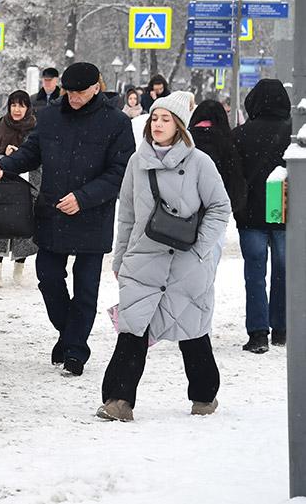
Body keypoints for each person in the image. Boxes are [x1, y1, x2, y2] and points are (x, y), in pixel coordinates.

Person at [0, 62, 134, 377]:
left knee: (86, 288)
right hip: (52, 213)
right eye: (70, 91)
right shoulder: (51, 117)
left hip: (93, 216)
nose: (75, 97)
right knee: (49, 278)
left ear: (97, 86)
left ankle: (75, 351)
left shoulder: (117, 123)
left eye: (81, 91)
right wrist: (6, 166)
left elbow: (120, 173)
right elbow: (30, 153)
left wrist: (84, 198)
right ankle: (69, 334)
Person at [98, 93, 231, 421]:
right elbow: (126, 214)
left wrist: (201, 248)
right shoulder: (136, 162)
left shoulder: (200, 163)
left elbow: (220, 207)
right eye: (154, 119)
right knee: (132, 330)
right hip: (144, 258)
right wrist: (120, 257)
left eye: (165, 119)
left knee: (192, 332)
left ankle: (203, 396)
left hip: (187, 260)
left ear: (179, 126)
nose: (157, 124)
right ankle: (118, 400)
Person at [231, 78, 291, 353]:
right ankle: (281, 328)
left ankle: (257, 334)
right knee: (283, 271)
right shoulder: (293, 133)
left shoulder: (241, 134)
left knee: (254, 273)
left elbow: (234, 176)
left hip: (251, 213)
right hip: (285, 213)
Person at [0, 91, 38, 287]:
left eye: (21, 105)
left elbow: (40, 154)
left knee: (24, 223)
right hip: (1, 179)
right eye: (13, 105)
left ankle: (19, 266)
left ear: (28, 107)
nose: (17, 109)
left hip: (27, 180)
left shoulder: (35, 127)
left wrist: (20, 155)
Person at [189, 99, 247, 215]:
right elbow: (234, 177)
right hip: (217, 206)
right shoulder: (227, 142)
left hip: (187, 207)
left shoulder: (186, 139)